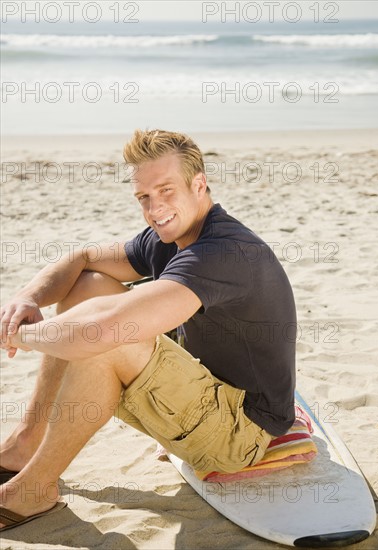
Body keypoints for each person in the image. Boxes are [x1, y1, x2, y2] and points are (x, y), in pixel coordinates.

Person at [0, 129, 296, 530]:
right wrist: (27, 299)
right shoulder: (169, 236)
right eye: (144, 197)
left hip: (241, 432)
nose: (155, 208)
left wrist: (20, 336)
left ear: (199, 185)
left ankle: (33, 491)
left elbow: (103, 330)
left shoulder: (223, 252)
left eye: (166, 190)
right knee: (87, 284)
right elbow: (84, 256)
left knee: (105, 338)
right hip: (203, 392)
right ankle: (24, 444)